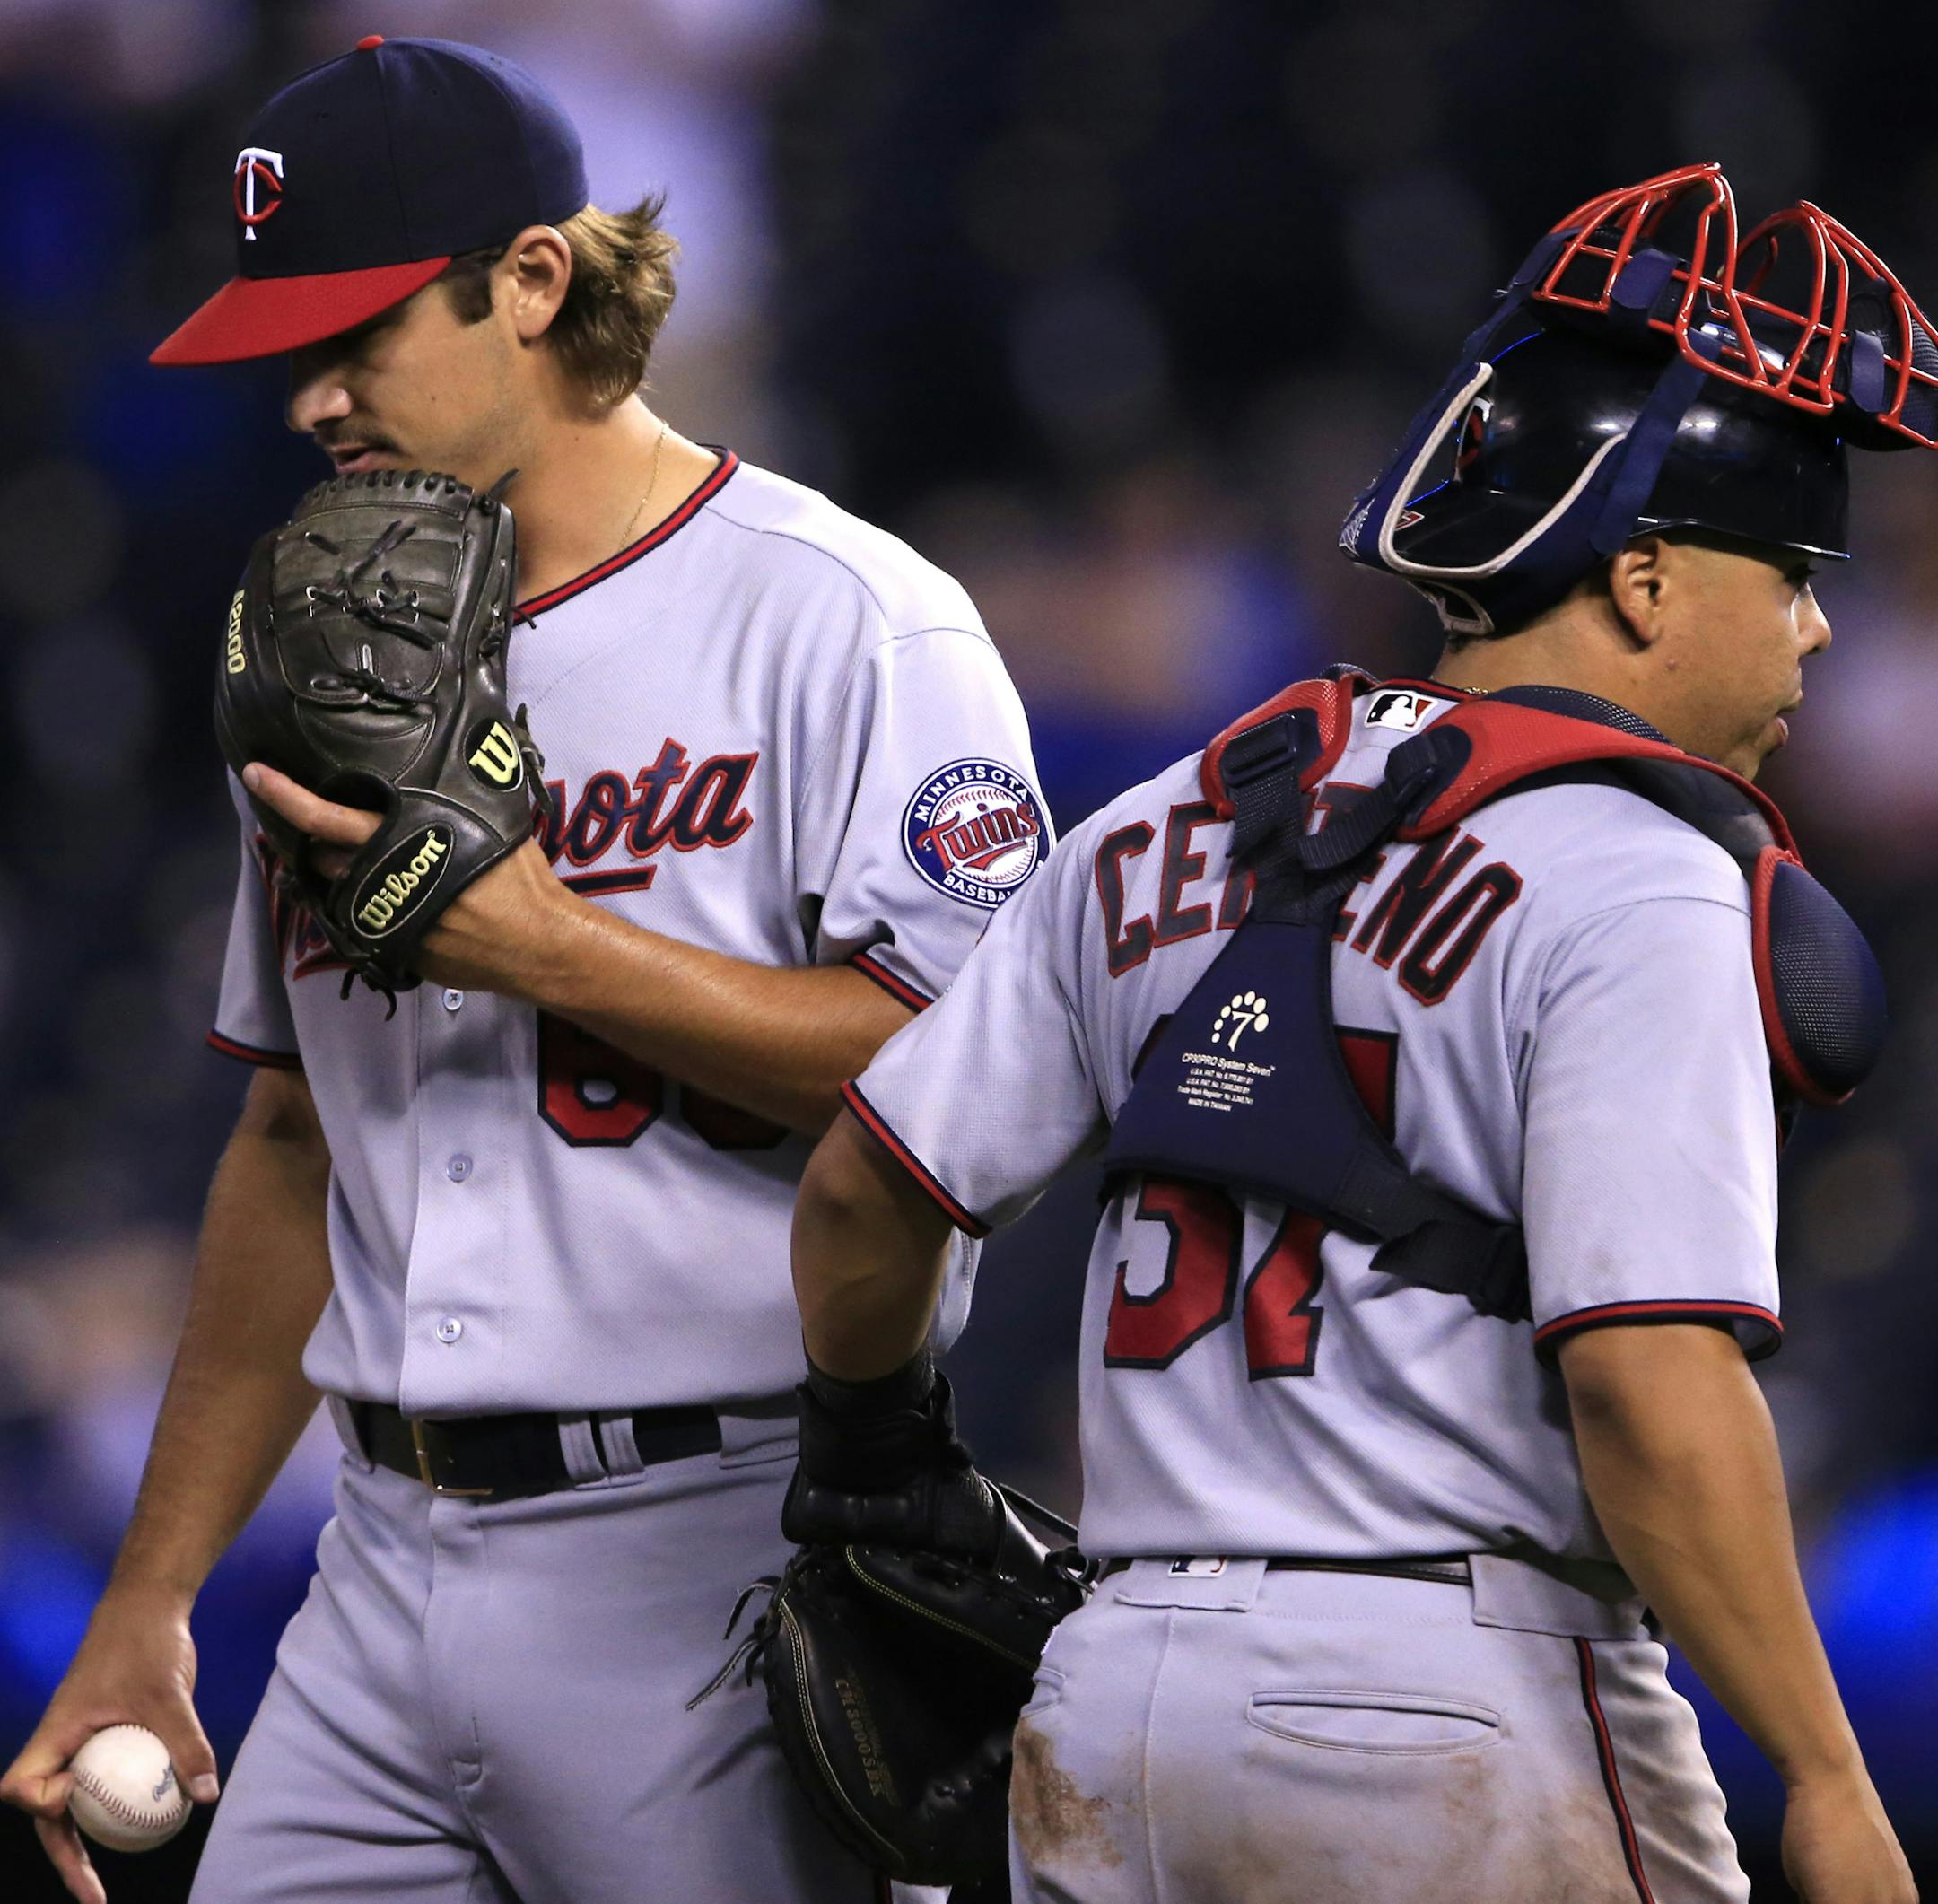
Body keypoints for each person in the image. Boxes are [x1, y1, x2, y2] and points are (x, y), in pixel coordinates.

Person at [781, 165, 1923, 1902]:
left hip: (1113, 1701)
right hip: (1452, 1704)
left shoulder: (1167, 814)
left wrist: (876, 1463)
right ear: (1645, 580)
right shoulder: (1649, 881)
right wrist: (1829, 1775)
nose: (1818, 624)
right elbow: (1645, 1372)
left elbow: (867, 1193)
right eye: (1786, 571)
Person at [1, 34, 1046, 1904]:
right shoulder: (320, 651)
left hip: (711, 1543)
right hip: (377, 1556)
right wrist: (148, 1593)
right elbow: (287, 1144)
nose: (313, 397)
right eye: (283, 352)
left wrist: (549, 944)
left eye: (357, 334)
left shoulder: (848, 619)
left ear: (537, 282)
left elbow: (969, 1085)